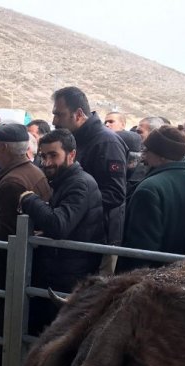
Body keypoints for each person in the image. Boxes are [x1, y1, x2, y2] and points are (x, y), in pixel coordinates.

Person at [0, 123, 51, 366]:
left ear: (4, 148)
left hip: (7, 260)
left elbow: (6, 231)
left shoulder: (12, 181)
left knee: (4, 313)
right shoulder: (32, 171)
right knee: (1, 312)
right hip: (21, 258)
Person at [19, 128, 103, 333]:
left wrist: (29, 199)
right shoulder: (65, 181)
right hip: (62, 269)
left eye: (53, 155)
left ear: (71, 154)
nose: (47, 162)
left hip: (69, 275)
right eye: (43, 156)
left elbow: (59, 224)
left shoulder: (79, 184)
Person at [51, 86, 127, 273]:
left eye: (59, 115)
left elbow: (115, 194)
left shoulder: (107, 142)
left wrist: (74, 206)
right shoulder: (75, 140)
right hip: (76, 235)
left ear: (78, 114)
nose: (54, 121)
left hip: (99, 241)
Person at [117, 126, 185, 272]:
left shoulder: (149, 188)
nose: (144, 155)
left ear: (162, 155)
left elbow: (140, 249)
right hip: (179, 277)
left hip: (148, 283)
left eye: (148, 150)